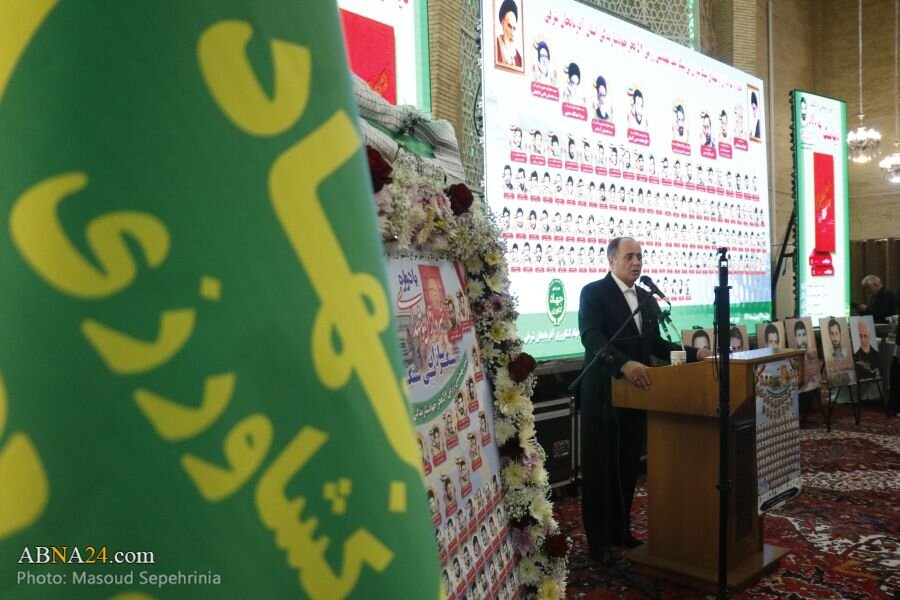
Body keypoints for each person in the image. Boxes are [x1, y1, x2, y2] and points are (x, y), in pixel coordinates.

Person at [577, 237, 708, 564]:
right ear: (611, 260)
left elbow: (656, 345)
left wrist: (696, 354)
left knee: (626, 469)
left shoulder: (646, 299)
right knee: (599, 474)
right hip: (602, 398)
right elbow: (592, 337)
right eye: (629, 256)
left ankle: (619, 531)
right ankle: (598, 543)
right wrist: (623, 364)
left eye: (639, 256)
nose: (636, 262)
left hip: (636, 399)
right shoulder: (593, 293)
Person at [495, 0, 521, 68]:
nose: (512, 33)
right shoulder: (494, 46)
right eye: (509, 26)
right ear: (503, 23)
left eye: (514, 28)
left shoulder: (518, 58)